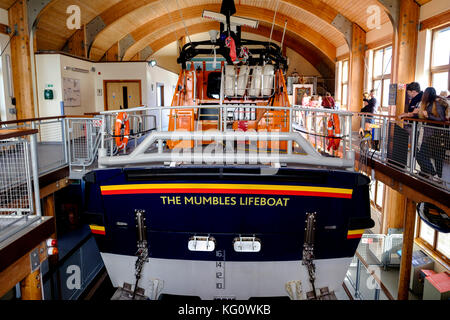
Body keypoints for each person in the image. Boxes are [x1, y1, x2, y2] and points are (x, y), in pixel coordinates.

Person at [410, 87, 449, 178]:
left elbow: (441, 119)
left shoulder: (437, 104)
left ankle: (435, 175)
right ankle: (433, 175)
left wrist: (428, 116)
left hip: (435, 136)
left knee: (435, 157)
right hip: (429, 135)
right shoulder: (429, 104)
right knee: (423, 155)